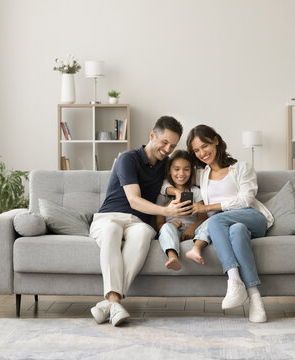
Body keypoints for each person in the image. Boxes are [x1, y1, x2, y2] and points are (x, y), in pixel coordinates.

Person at [89, 116, 192, 326]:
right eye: (164, 142)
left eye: (172, 146)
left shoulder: (165, 164)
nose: (167, 149)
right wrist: (165, 209)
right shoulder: (128, 158)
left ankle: (109, 304)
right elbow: (134, 200)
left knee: (146, 232)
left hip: (138, 223)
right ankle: (115, 301)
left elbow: (177, 177)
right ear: (152, 135)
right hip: (109, 217)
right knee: (111, 230)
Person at [187, 124, 274, 323]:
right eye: (197, 150)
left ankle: (234, 280)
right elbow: (172, 178)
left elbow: (245, 200)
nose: (202, 153)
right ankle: (254, 297)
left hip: (253, 218)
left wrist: (210, 208)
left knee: (217, 218)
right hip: (230, 226)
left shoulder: (242, 167)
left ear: (216, 140)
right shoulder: (202, 174)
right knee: (237, 230)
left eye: (205, 146)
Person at [155, 150, 209, 271]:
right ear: (169, 170)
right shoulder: (163, 195)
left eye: (186, 169)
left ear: (191, 171)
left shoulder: (195, 191)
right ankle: (173, 257)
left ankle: (197, 249)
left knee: (210, 223)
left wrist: (192, 228)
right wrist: (170, 224)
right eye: (177, 169)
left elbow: (203, 218)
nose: (181, 173)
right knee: (165, 228)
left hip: (194, 231)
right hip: (173, 230)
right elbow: (159, 224)